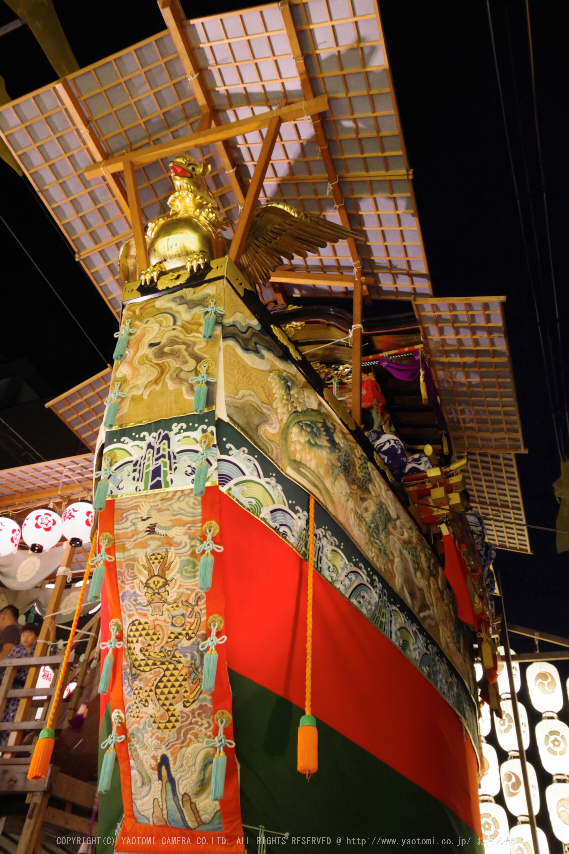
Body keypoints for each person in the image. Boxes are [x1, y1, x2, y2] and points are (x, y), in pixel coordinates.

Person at [0, 621, 41, 746]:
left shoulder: (39, 650)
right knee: (5, 714)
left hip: (26, 687)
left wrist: (52, 632)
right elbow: (6, 663)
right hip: (11, 685)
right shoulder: (17, 649)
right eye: (23, 635)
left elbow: (52, 649)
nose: (25, 637)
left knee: (15, 716)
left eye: (29, 634)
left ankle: (9, 744)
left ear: (37, 637)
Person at [460, 489, 497, 595]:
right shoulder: (467, 515)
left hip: (475, 555)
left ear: (466, 502)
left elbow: (477, 544)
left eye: (462, 499)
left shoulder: (471, 516)